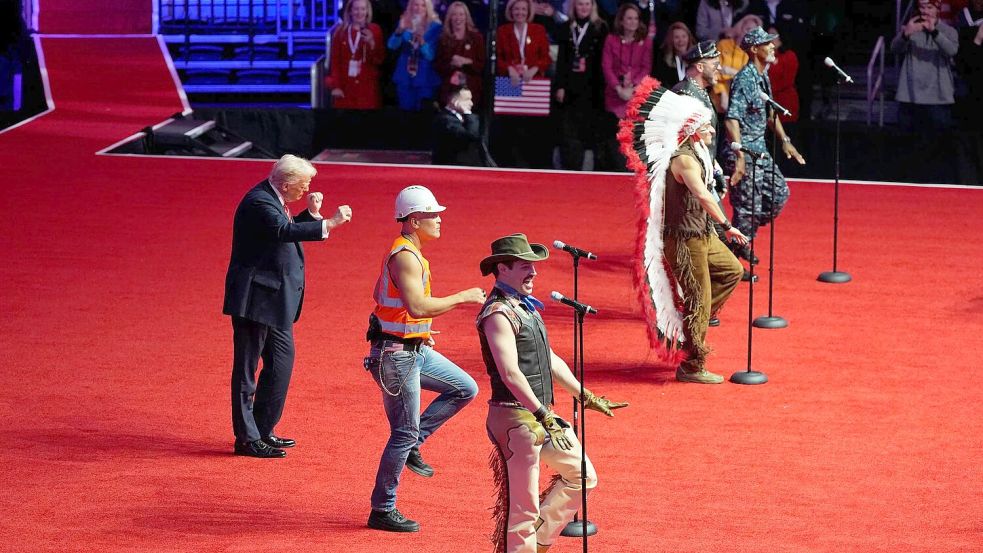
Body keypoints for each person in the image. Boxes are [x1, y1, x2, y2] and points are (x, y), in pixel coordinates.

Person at [477, 233, 628, 552]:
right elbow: (510, 373)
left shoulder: (525, 307)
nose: (533, 272)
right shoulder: (498, 315)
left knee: (583, 475)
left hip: (539, 416)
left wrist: (587, 396)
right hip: (516, 419)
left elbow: (549, 359)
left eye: (533, 266)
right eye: (523, 266)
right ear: (502, 269)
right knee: (523, 508)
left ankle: (540, 542)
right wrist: (544, 415)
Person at [365, 185, 484, 533]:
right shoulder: (404, 256)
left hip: (412, 349)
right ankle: (382, 509)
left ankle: (416, 443)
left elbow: (384, 297)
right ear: (415, 220)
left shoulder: (410, 253)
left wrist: (417, 330)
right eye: (434, 215)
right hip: (397, 357)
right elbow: (416, 305)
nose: (440, 220)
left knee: (465, 388)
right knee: (402, 432)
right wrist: (462, 297)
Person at [223, 155, 353, 458]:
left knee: (281, 364)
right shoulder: (259, 202)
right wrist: (329, 223)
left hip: (276, 300)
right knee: (246, 370)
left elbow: (284, 228)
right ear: (286, 183)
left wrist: (311, 214)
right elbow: (282, 232)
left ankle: (262, 429)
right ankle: (247, 438)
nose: (308, 188)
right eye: (304, 183)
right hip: (255, 299)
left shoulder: (273, 199)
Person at [619, 84, 748, 382]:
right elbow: (703, 195)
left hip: (703, 234)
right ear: (693, 130)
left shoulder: (701, 152)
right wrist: (728, 226)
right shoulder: (684, 159)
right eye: (707, 128)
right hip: (684, 239)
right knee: (698, 296)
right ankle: (692, 365)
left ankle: (688, 325)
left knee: (730, 272)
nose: (713, 132)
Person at [722, 26, 804, 263]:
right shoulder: (745, 79)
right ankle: (734, 261)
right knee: (747, 208)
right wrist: (739, 158)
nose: (772, 46)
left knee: (779, 195)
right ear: (755, 49)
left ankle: (739, 240)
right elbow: (731, 120)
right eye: (767, 43)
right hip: (745, 151)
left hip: (761, 150)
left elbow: (770, 113)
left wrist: (786, 141)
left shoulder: (762, 76)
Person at [553, 0, 608, 170]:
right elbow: (562, 59)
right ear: (574, 7)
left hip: (592, 86)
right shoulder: (566, 27)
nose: (583, 8)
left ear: (592, 7)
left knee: (589, 126)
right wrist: (560, 86)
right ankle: (568, 165)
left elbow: (603, 60)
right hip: (570, 85)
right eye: (580, 4)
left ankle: (588, 167)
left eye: (587, 4)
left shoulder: (601, 27)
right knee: (568, 127)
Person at [891, 0, 959, 132]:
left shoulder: (950, 31)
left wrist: (934, 32)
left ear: (938, 9)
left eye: (929, 7)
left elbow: (951, 51)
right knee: (907, 144)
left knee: (939, 145)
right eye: (922, 7)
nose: (925, 11)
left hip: (938, 99)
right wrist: (905, 35)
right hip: (910, 97)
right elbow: (895, 49)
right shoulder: (911, 28)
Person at [600, 3, 653, 169]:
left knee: (633, 136)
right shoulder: (611, 40)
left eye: (635, 18)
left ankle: (633, 167)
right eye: (629, 18)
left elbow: (646, 67)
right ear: (621, 21)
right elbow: (606, 66)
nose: (632, 22)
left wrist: (633, 88)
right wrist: (618, 88)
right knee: (614, 138)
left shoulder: (646, 42)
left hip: (636, 94)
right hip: (614, 94)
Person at [327, 0, 386, 110]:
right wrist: (336, 86)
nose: (360, 13)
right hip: (345, 87)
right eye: (356, 9)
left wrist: (372, 43)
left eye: (363, 9)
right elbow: (335, 62)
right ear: (350, 11)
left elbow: (379, 60)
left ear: (367, 11)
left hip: (367, 88)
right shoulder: (340, 32)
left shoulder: (375, 30)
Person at [388, 0, 443, 111]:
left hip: (425, 76)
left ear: (427, 7)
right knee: (405, 114)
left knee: (423, 114)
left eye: (423, 5)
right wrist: (400, 30)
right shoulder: (405, 22)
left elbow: (431, 56)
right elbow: (392, 45)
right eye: (416, 4)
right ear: (411, 6)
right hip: (405, 75)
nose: (419, 8)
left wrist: (422, 43)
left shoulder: (435, 27)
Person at [434, 1, 486, 107]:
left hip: (471, 92)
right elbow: (438, 66)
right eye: (454, 14)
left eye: (461, 14)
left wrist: (466, 62)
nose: (458, 18)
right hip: (448, 91)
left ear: (466, 17)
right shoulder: (443, 39)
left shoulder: (476, 38)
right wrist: (452, 64)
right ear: (450, 17)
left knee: (471, 122)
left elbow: (481, 66)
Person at [712, 13, 761, 113]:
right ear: (740, 27)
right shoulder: (723, 44)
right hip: (718, 97)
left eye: (753, 32)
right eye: (747, 29)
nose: (748, 34)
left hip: (740, 102)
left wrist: (733, 72)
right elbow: (714, 66)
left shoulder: (753, 53)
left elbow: (752, 79)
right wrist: (722, 92)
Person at [431, 84, 491, 166]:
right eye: (467, 100)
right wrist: (467, 113)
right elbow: (470, 135)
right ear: (454, 101)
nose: (471, 103)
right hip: (452, 167)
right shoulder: (445, 119)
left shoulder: (468, 118)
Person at [496, 0, 552, 85]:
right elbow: (497, 58)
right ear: (511, 11)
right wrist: (509, 69)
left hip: (533, 80)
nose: (520, 12)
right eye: (516, 9)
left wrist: (534, 69)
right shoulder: (502, 31)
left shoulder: (539, 30)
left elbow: (546, 58)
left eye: (523, 9)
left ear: (528, 12)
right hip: (509, 81)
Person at [767, 26, 799, 126]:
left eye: (773, 35)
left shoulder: (789, 56)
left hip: (785, 102)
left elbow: (787, 81)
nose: (769, 38)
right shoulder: (764, 56)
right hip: (768, 104)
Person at [651, 21, 696, 89]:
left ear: (689, 38)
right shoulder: (663, 60)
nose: (681, 40)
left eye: (684, 36)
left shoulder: (696, 59)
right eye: (676, 37)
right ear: (671, 40)